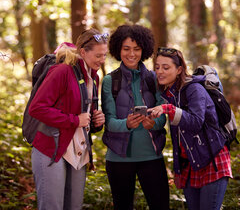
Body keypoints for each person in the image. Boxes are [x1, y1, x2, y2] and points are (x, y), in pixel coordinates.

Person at [29, 29, 108, 210]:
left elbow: (84, 116)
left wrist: (96, 120)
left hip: (78, 151)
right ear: (83, 52)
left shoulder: (93, 77)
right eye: (98, 55)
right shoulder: (62, 71)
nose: (102, 60)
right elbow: (37, 108)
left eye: (104, 55)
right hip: (51, 150)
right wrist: (73, 120)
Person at [150, 47, 232, 210]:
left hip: (212, 159)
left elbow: (196, 122)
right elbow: (177, 135)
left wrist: (169, 109)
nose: (160, 71)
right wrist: (178, 170)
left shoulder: (195, 88)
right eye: (157, 67)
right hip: (192, 163)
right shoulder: (170, 94)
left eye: (166, 67)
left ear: (179, 69)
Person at [101, 25, 169, 210]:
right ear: (118, 49)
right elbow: (109, 121)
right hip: (118, 159)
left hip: (151, 156)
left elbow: (164, 115)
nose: (132, 54)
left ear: (144, 50)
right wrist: (127, 124)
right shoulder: (110, 81)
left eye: (137, 49)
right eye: (126, 49)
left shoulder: (154, 79)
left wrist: (153, 123)